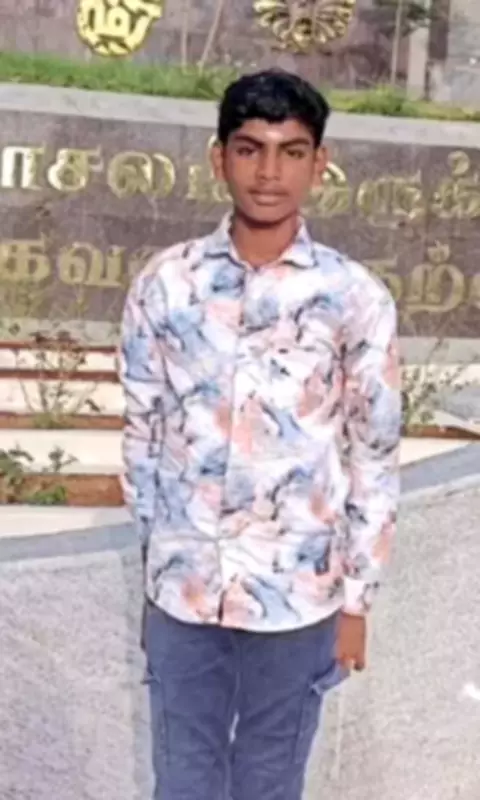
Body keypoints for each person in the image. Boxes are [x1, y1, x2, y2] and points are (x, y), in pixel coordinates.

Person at [119, 69, 401, 800]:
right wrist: (160, 565)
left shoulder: (353, 298)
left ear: (319, 163)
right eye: (249, 149)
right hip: (184, 594)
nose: (269, 171)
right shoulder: (167, 283)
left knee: (270, 783)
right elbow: (143, 431)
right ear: (219, 158)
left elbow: (372, 456)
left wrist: (356, 601)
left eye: (291, 151)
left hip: (298, 597)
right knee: (183, 780)